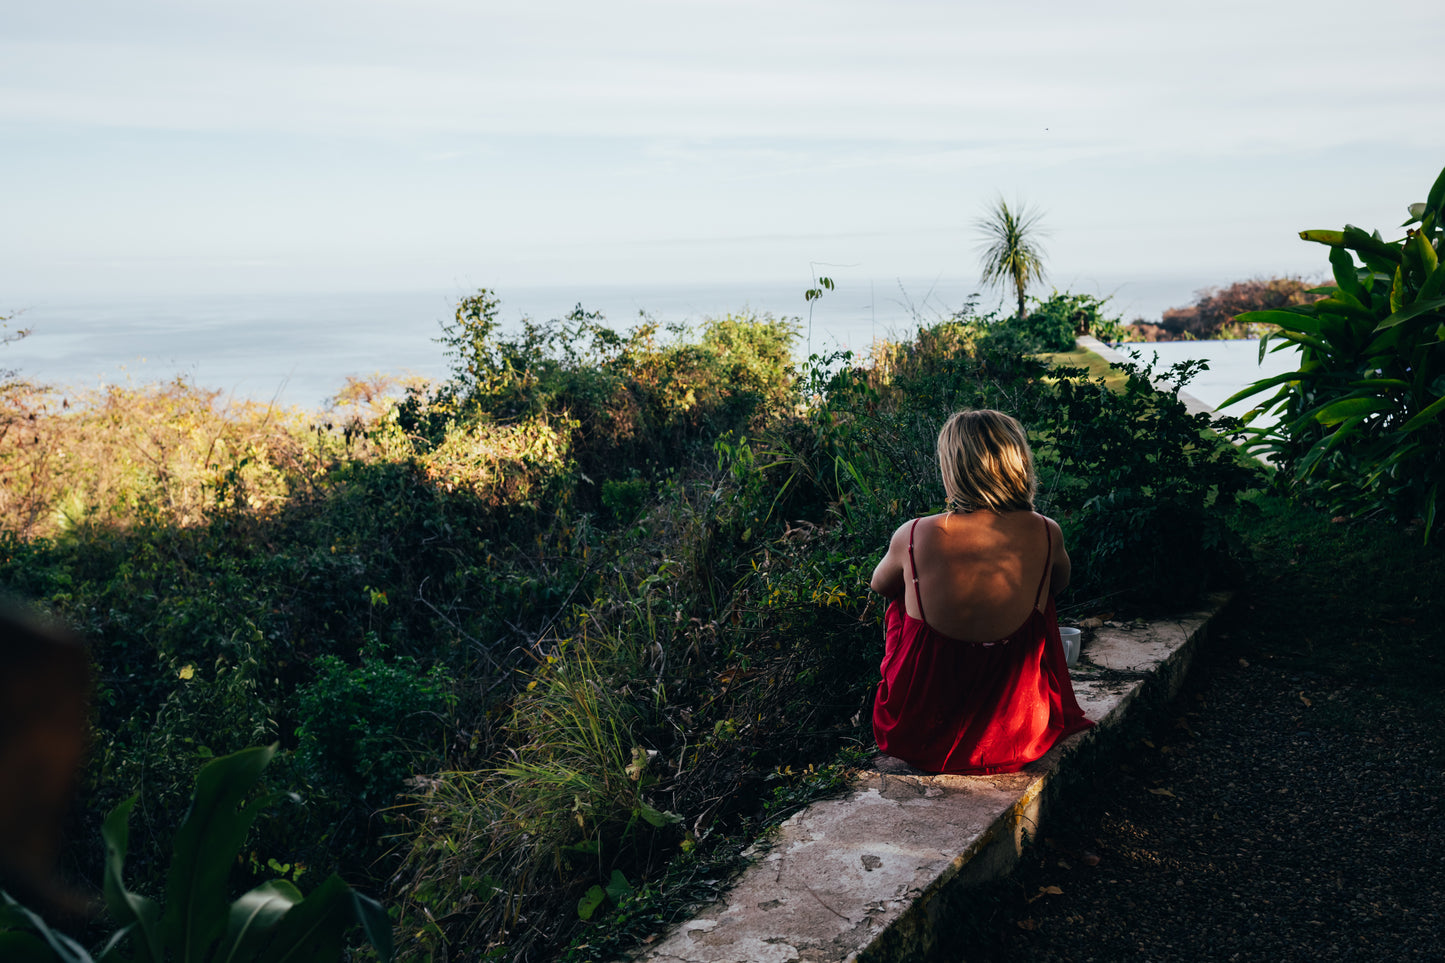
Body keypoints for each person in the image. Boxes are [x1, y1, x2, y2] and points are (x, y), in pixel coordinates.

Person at [869, 409, 1093, 774]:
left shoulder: (913, 534)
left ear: (953, 469)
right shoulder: (1047, 531)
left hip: (919, 734)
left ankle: (926, 699)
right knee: (1042, 596)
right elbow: (1060, 583)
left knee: (900, 595)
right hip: (1019, 733)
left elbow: (879, 585)